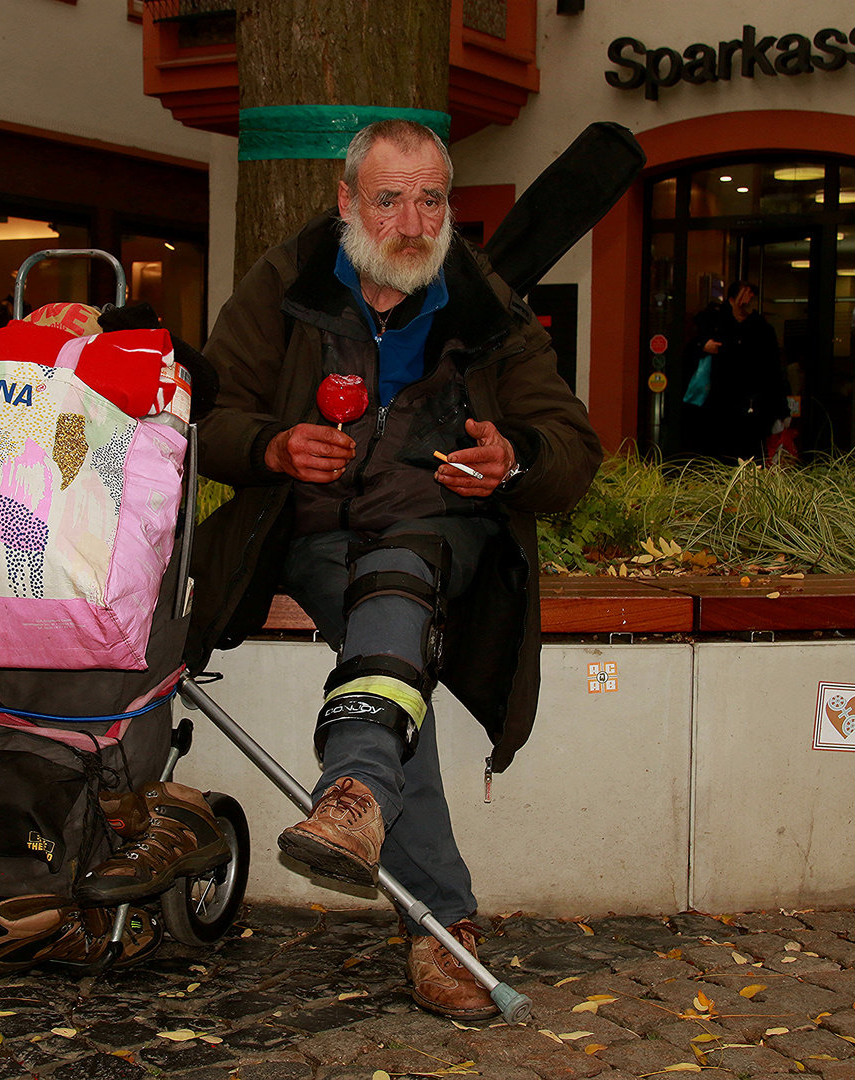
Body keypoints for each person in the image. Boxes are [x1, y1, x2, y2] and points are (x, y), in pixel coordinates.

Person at [187, 119, 602, 1020]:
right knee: (391, 644)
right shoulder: (286, 281)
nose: (413, 222)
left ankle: (360, 796)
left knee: (402, 579)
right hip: (314, 538)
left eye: (431, 199)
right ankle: (438, 913)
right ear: (347, 203)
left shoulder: (482, 303)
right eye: (389, 199)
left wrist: (514, 457)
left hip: (440, 532)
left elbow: (573, 446)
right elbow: (205, 420)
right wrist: (274, 446)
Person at [681, 280, 789, 463]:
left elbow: (773, 371)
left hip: (753, 408)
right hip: (719, 408)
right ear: (731, 300)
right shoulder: (715, 325)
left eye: (751, 299)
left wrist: (780, 409)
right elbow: (687, 351)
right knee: (719, 459)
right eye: (743, 298)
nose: (746, 303)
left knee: (750, 459)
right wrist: (703, 346)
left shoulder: (762, 329)